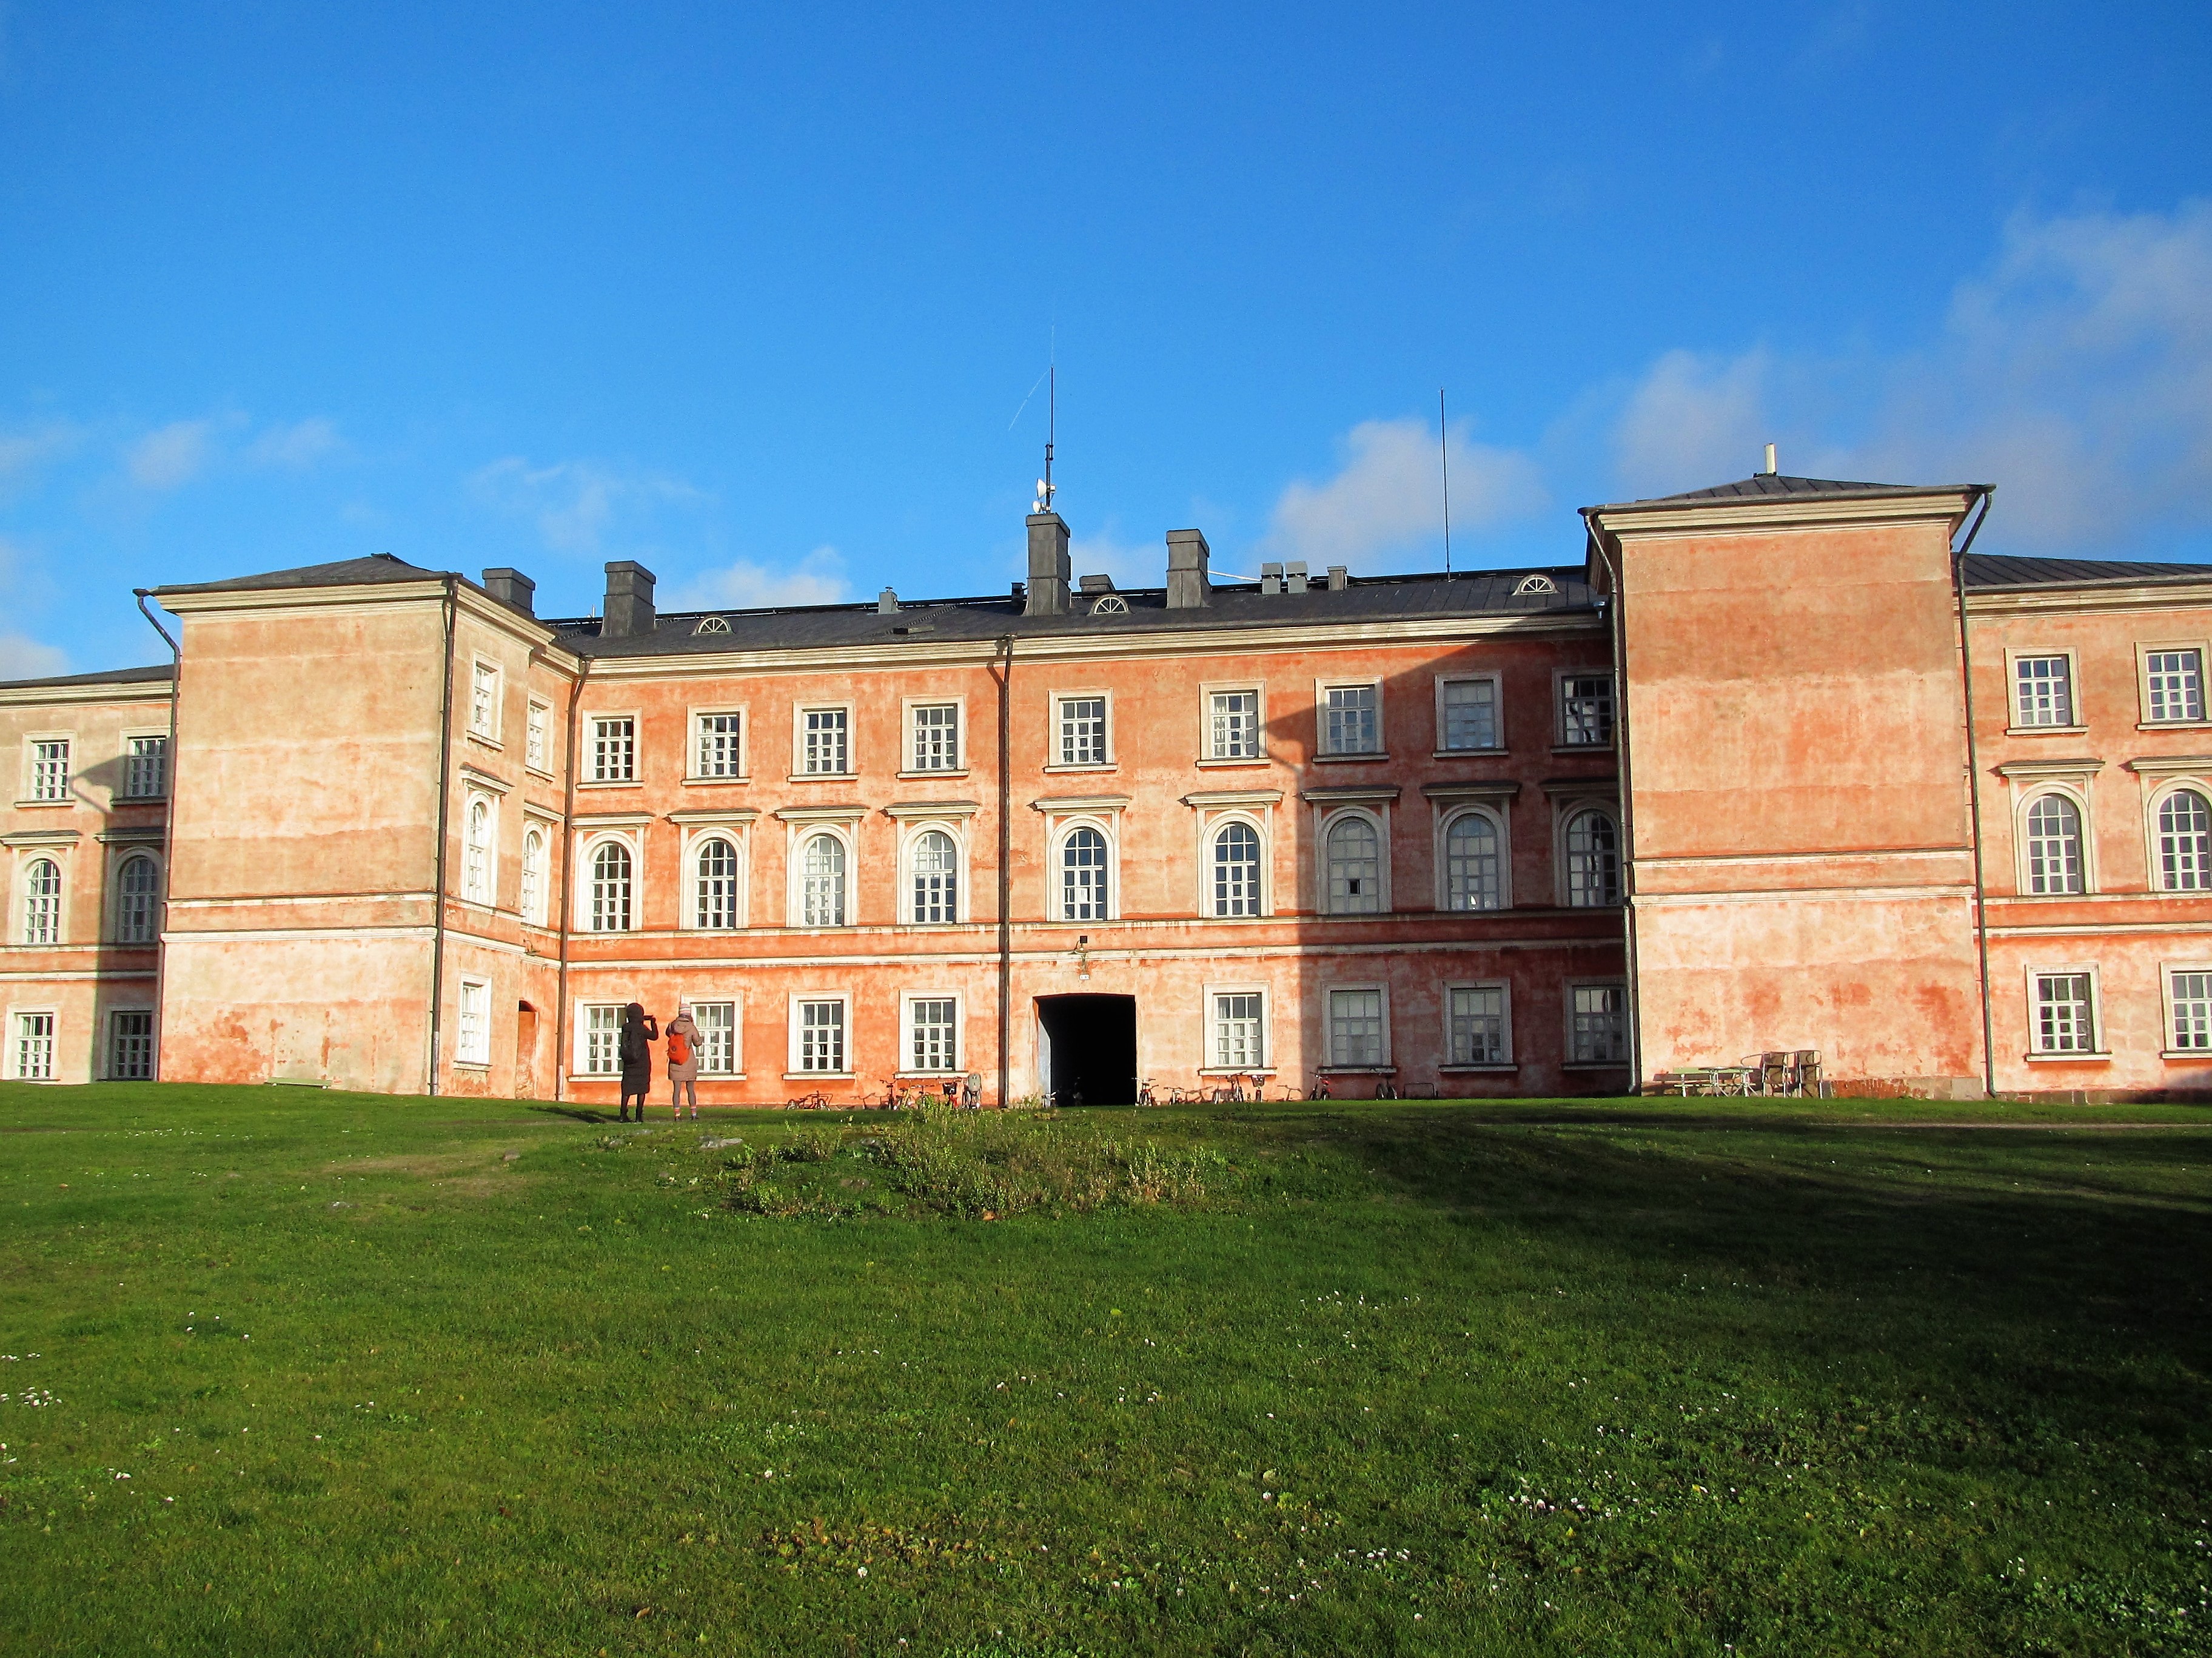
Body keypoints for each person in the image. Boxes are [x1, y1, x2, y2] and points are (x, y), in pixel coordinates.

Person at [617, 1002, 658, 1121]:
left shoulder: (626, 1027)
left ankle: (622, 1115)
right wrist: (652, 1022)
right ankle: (638, 1116)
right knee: (641, 1089)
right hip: (642, 1061)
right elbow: (654, 1036)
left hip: (629, 1062)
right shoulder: (641, 1029)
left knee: (627, 1090)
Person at [664, 1005, 701, 1119]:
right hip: (688, 1061)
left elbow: (667, 1035)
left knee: (676, 1090)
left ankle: (677, 1115)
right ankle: (694, 1114)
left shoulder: (672, 1026)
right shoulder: (691, 1027)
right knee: (690, 1089)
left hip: (675, 1062)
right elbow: (697, 1042)